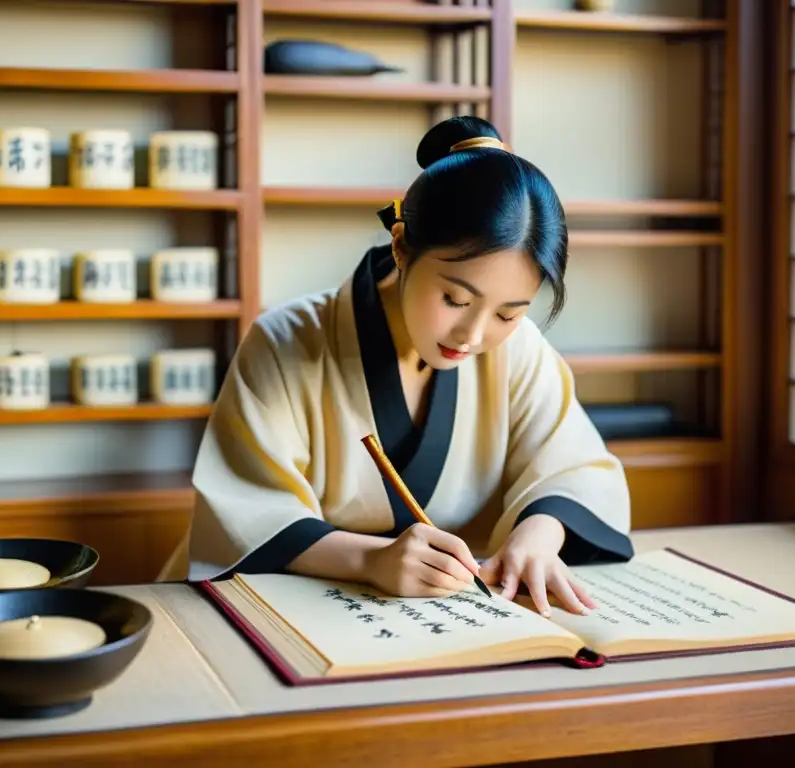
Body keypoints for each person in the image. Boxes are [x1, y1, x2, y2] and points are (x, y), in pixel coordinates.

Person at [174, 115, 634, 617]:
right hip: (291, 613)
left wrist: (540, 534)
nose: (474, 336)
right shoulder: (285, 342)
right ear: (400, 245)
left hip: (452, 616)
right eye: (456, 299)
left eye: (509, 312)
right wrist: (372, 560)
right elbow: (247, 515)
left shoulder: (518, 350)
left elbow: (577, 468)